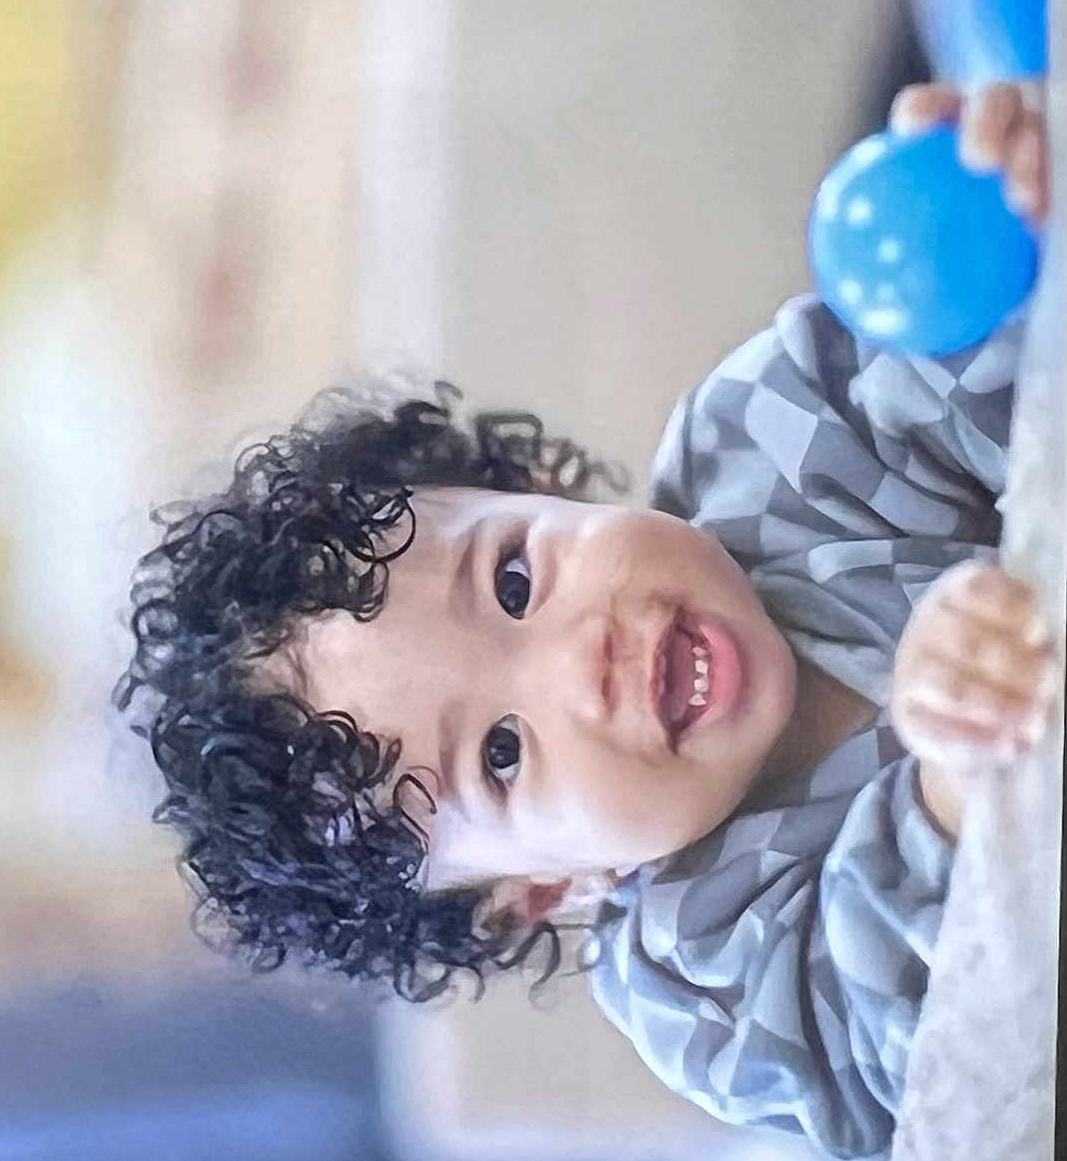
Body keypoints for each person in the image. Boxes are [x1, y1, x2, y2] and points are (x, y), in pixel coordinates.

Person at [114, 81, 1058, 1159]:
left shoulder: (773, 433)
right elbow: (944, 1057)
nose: (581, 660)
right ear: (543, 886)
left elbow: (1003, 375)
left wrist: (1008, 220)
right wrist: (951, 782)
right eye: (503, 752)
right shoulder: (693, 972)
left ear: (539, 482)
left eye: (515, 581)